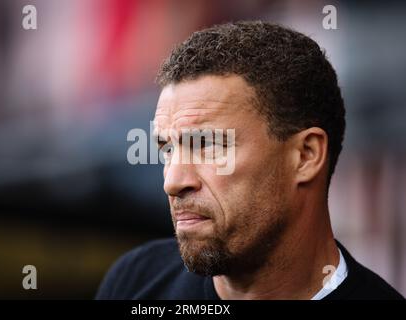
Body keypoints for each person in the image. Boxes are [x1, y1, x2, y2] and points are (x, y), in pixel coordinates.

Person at [96, 21, 404, 300]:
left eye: (207, 144)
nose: (172, 182)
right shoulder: (136, 281)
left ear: (306, 155)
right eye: (167, 149)